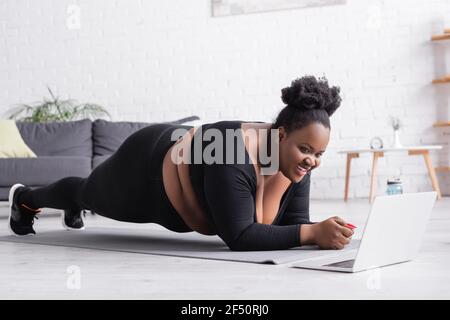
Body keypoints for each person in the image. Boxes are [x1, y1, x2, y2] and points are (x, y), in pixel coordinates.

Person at [8, 75, 354, 251]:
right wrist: (312, 233)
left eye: (319, 154)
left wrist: (318, 232)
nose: (312, 161)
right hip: (147, 168)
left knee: (85, 195)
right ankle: (26, 199)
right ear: (280, 136)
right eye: (306, 150)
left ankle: (71, 205)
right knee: (86, 193)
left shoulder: (297, 161)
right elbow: (239, 235)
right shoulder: (231, 151)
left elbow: (293, 225)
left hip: (186, 157)